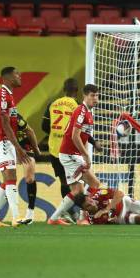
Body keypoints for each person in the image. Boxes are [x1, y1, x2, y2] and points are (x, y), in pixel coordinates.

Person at [48, 84, 101, 225]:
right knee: (95, 184)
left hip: (68, 154)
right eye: (92, 96)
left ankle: (54, 219)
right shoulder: (81, 111)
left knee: (77, 191)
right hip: (70, 154)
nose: (95, 99)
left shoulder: (88, 112)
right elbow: (75, 136)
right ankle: (83, 218)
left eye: (97, 96)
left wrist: (89, 147)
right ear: (84, 96)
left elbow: (82, 136)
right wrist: (86, 155)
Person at [0, 67, 30, 227]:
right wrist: (18, 146)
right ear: (8, 78)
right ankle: (16, 216)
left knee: (8, 179)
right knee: (10, 176)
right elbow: (4, 123)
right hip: (2, 139)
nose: (20, 76)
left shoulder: (8, 95)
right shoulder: (3, 95)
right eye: (17, 74)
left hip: (6, 140)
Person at [41, 78, 79, 202]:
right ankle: (77, 212)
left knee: (64, 181)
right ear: (77, 91)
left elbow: (44, 126)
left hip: (55, 149)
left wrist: (56, 135)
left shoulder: (53, 104)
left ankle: (68, 212)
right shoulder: (78, 106)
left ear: (63, 90)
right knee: (76, 181)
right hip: (70, 150)